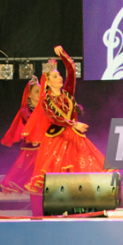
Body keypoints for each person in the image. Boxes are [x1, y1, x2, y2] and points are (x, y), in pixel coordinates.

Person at [22, 46, 106, 194]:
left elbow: (72, 70)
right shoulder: (45, 101)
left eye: (60, 75)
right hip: (56, 140)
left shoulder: (67, 93)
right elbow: (55, 118)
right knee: (58, 179)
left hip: (74, 137)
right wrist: (74, 124)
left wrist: (63, 54)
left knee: (82, 173)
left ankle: (81, 205)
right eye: (55, 76)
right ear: (47, 82)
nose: (60, 78)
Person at [0, 76, 41, 193]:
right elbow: (32, 122)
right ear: (29, 95)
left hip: (43, 147)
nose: (40, 93)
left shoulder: (45, 109)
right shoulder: (25, 110)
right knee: (30, 177)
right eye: (36, 91)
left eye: (41, 91)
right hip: (31, 149)